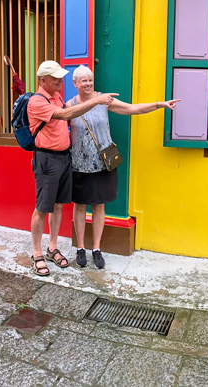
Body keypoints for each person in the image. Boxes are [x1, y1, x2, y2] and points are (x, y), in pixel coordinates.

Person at [67, 65, 180, 269]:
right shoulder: (69, 105)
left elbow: (131, 108)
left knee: (99, 205)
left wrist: (158, 104)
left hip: (103, 163)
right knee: (80, 205)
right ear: (75, 83)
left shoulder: (104, 100)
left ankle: (97, 249)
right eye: (83, 80)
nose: (88, 83)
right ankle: (81, 248)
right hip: (79, 164)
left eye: (90, 80)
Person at [27, 60, 118, 277]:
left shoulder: (57, 97)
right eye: (56, 78)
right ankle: (37, 254)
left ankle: (52, 248)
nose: (60, 81)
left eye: (61, 77)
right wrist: (97, 101)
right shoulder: (36, 102)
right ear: (43, 81)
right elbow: (67, 115)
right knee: (42, 208)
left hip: (64, 158)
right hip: (47, 159)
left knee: (58, 206)